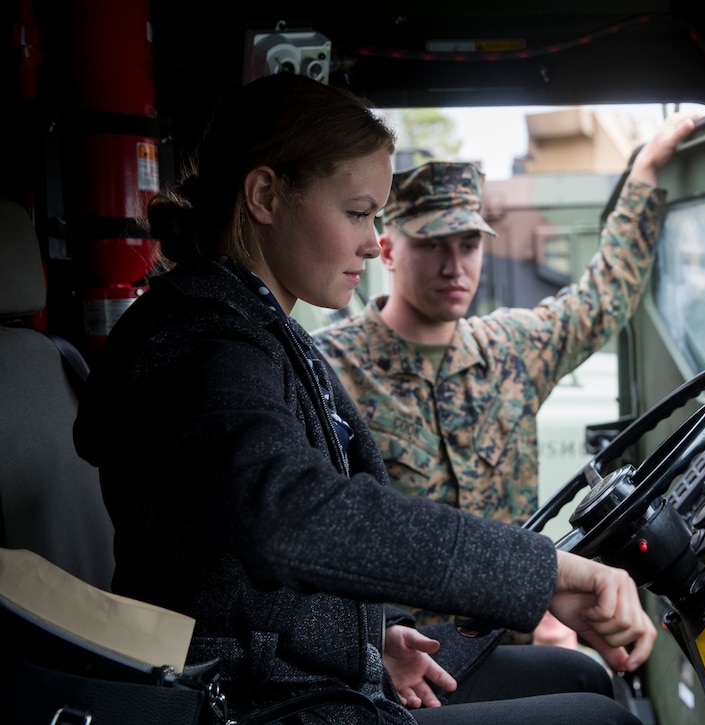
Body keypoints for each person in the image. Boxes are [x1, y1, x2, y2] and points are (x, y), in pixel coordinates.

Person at [72, 71, 655, 725]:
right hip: (252, 700)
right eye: (355, 212)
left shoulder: (258, 326)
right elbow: (294, 519)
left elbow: (247, 561)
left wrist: (375, 636)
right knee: (601, 720)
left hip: (290, 671)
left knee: (579, 672)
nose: (368, 243)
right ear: (264, 194)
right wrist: (546, 572)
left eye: (374, 216)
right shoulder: (206, 344)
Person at [314, 111, 697, 643]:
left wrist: (646, 174)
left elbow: (602, 298)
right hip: (400, 657)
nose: (455, 267)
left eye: (468, 245)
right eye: (432, 245)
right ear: (388, 251)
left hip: (515, 632)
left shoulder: (512, 349)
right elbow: (313, 538)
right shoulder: (329, 369)